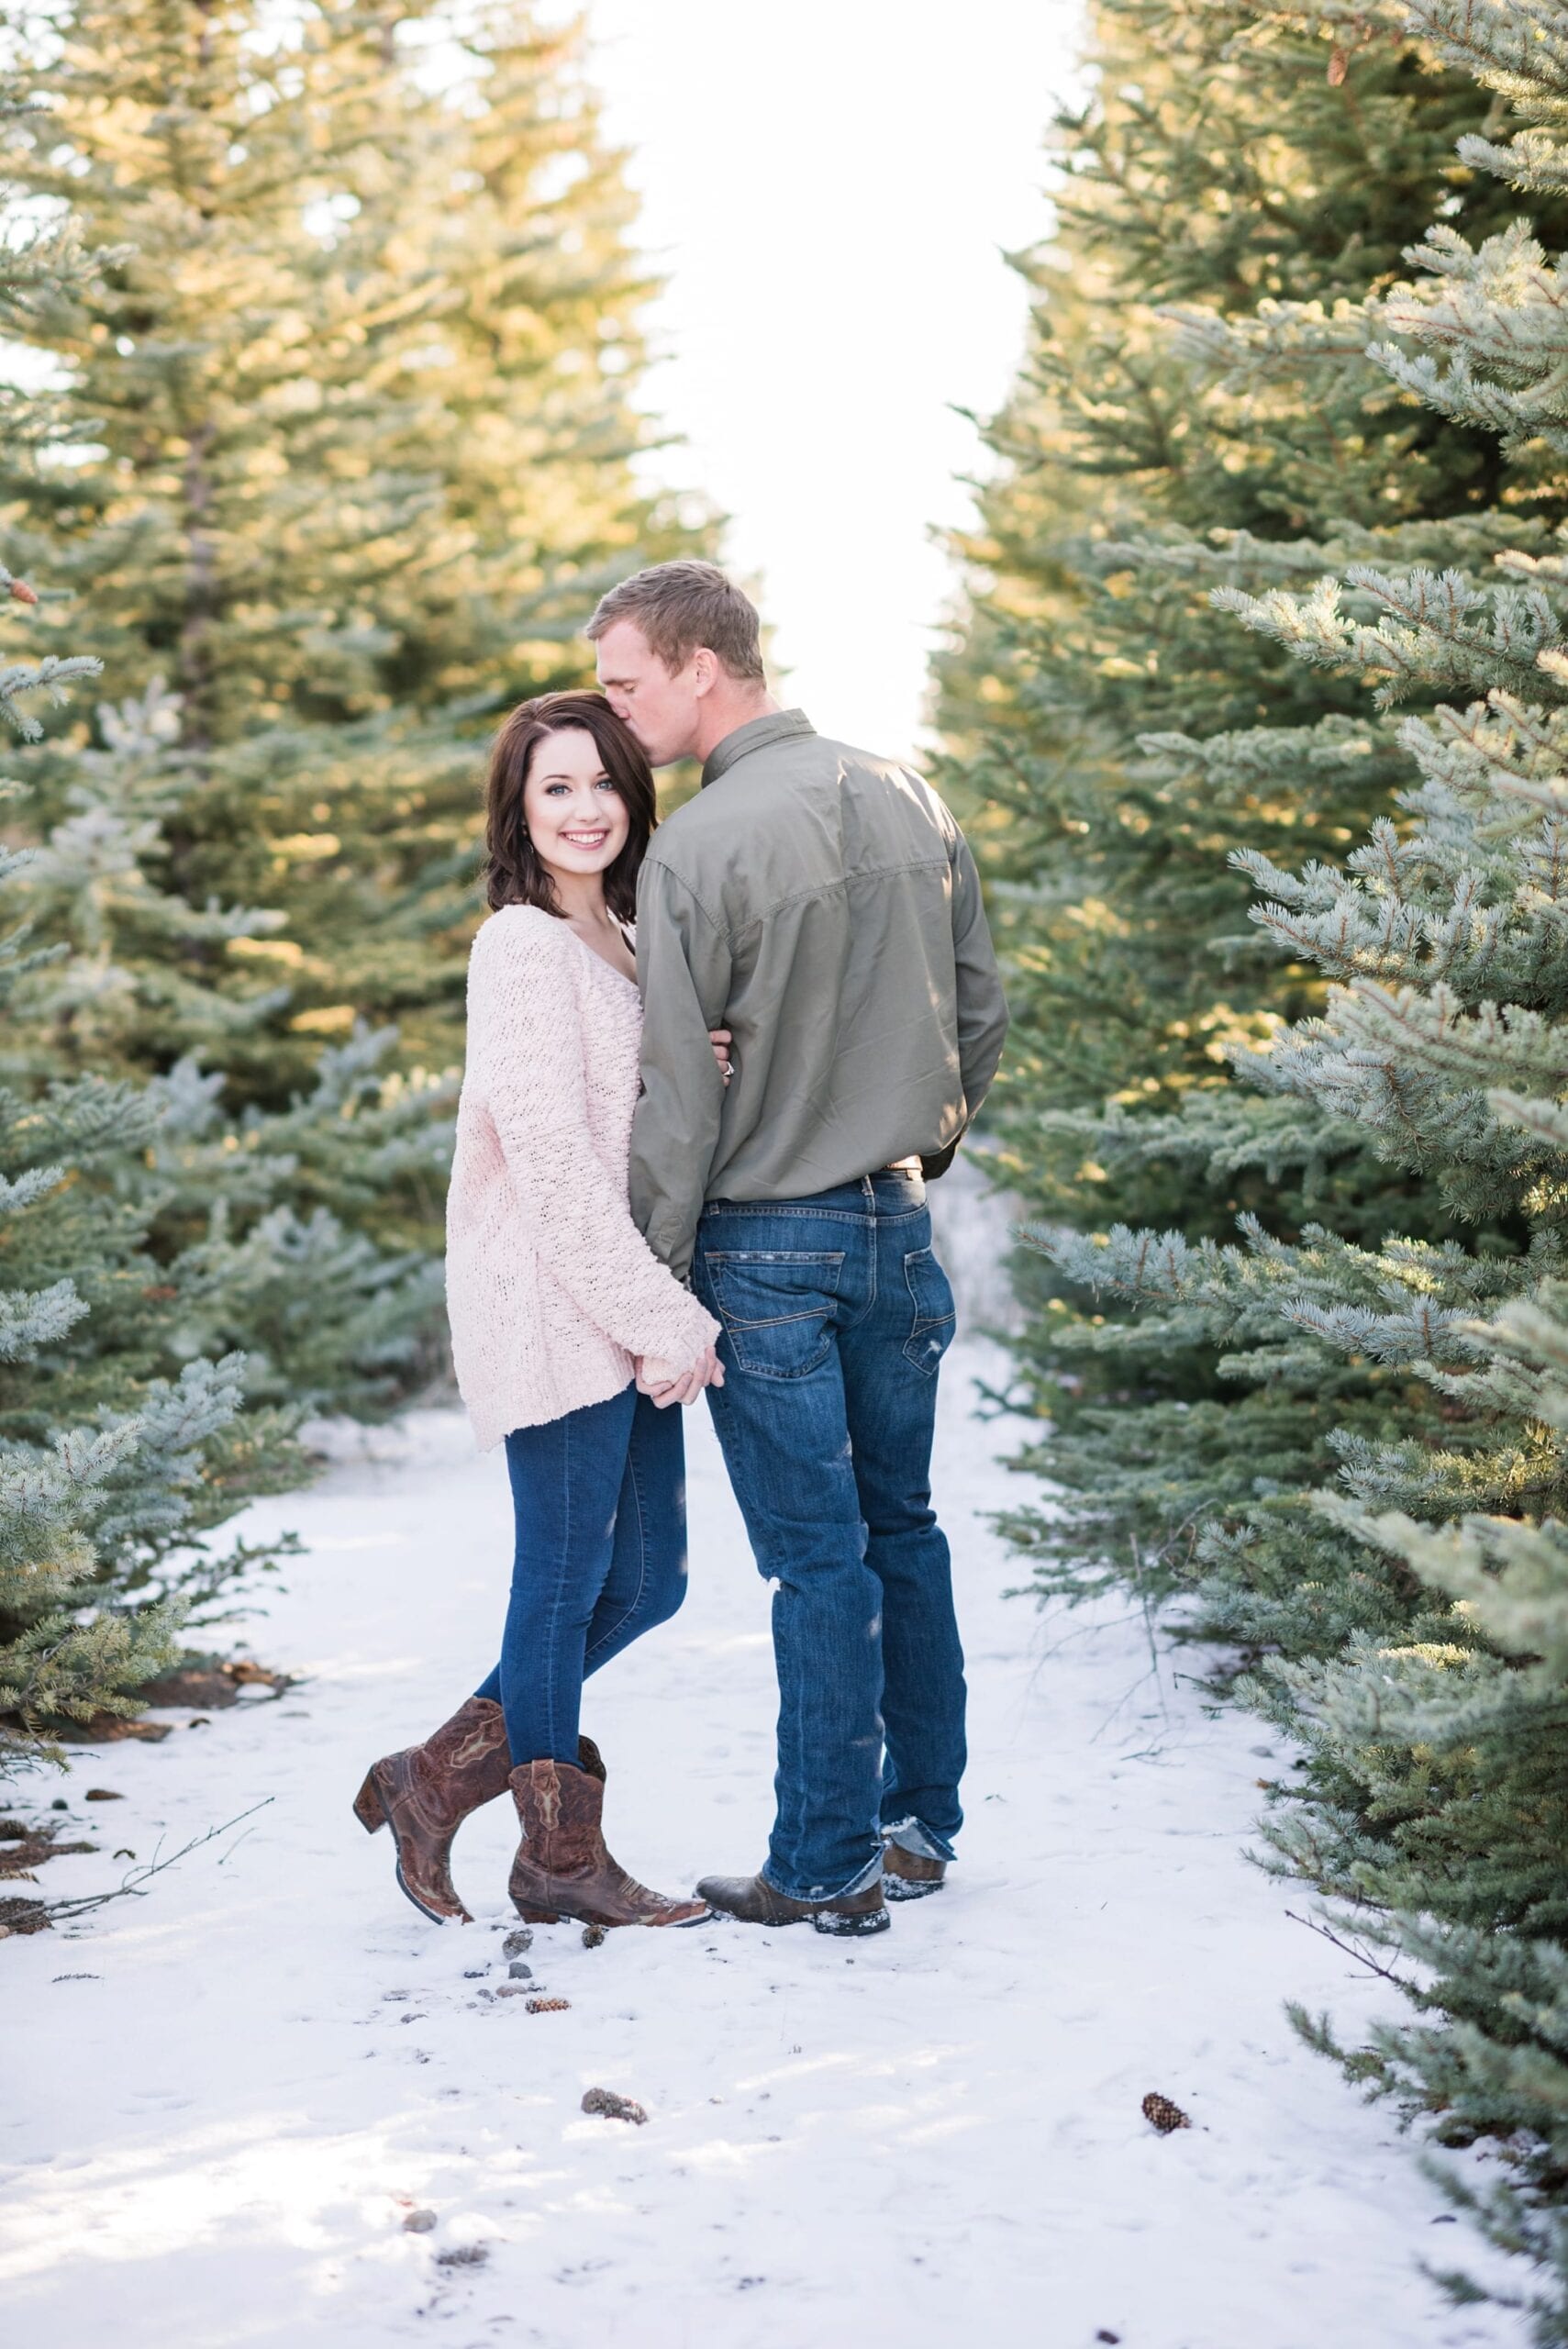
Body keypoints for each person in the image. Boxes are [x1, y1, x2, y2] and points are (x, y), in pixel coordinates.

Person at [590, 561, 1009, 1937]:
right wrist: (910, 1151)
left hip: (763, 1247)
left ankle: (823, 1861)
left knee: (816, 1562)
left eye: (625, 681)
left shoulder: (697, 852)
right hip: (897, 1227)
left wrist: (651, 1275)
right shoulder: (908, 793)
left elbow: (679, 1095)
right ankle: (916, 1826)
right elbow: (980, 1014)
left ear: (702, 668)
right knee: (903, 1529)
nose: (614, 711)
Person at [353, 690, 728, 1931]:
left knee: (652, 1579)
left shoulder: (620, 936)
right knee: (566, 1577)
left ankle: (433, 1780)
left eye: (604, 783)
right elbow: (555, 1162)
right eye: (554, 786)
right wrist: (665, 1319)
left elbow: (623, 1106)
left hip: (621, 1300)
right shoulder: (518, 943)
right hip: (559, 1301)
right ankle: (561, 1864)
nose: (584, 809)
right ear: (519, 806)